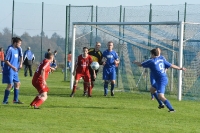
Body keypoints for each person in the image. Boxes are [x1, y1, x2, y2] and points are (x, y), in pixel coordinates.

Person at [133, 48, 186, 112]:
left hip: (161, 80)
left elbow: (140, 64)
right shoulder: (161, 60)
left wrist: (135, 62)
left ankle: (171, 109)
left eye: (151, 54)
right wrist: (180, 68)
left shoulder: (151, 61)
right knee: (152, 90)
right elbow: (171, 65)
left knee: (161, 96)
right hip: (162, 79)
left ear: (152, 54)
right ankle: (161, 104)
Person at [2, 37, 24, 104]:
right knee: (10, 85)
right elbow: (6, 60)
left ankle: (15, 100)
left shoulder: (18, 49)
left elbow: (21, 56)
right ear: (15, 43)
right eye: (19, 43)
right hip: (9, 70)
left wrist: (20, 64)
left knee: (17, 84)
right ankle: (5, 101)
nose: (20, 44)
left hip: (15, 70)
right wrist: (12, 67)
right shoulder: (10, 49)